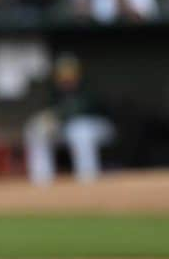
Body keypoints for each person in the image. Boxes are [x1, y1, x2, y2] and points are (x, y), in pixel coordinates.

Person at [24, 54, 115, 184]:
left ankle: (88, 178)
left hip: (99, 127)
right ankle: (41, 180)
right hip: (67, 128)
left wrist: (57, 116)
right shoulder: (55, 92)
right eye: (62, 74)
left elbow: (80, 109)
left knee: (79, 130)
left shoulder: (88, 88)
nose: (66, 78)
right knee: (36, 129)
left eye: (70, 74)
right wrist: (48, 120)